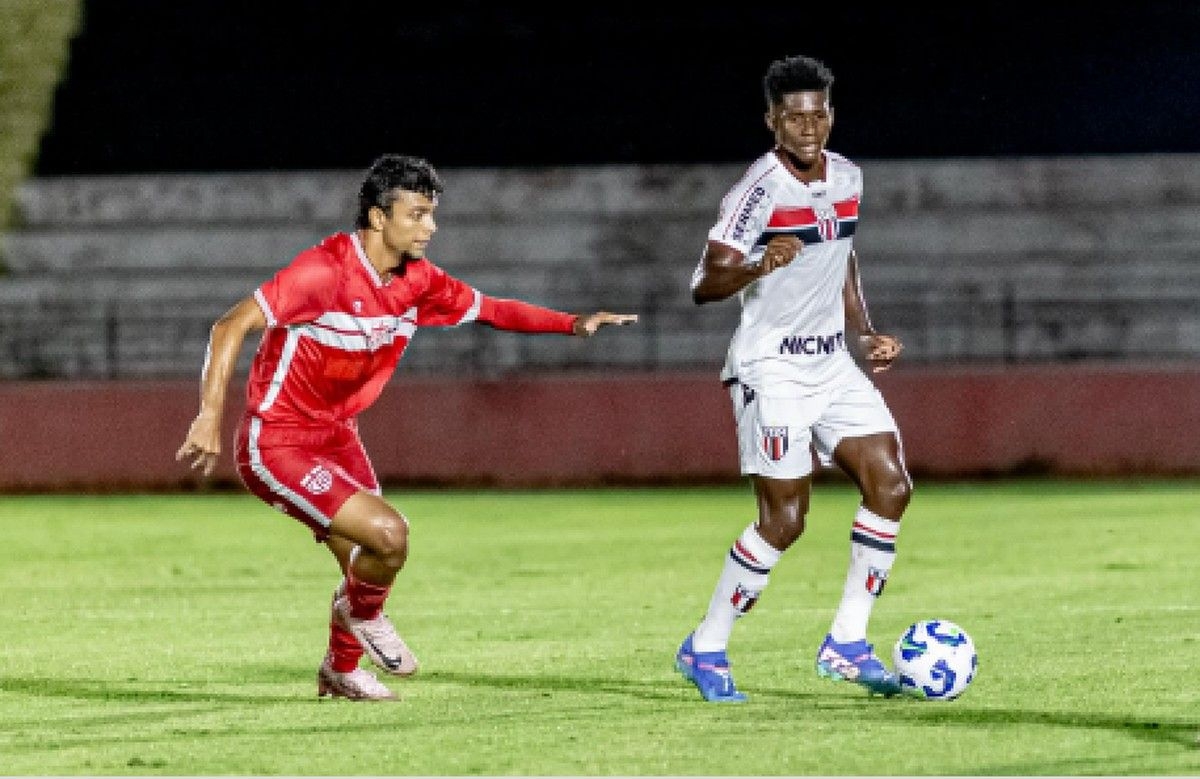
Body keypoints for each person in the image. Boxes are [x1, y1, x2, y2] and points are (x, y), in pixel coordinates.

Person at [176, 153, 637, 701]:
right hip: (277, 442)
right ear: (377, 217)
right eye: (417, 215)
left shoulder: (419, 283)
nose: (431, 227)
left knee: (375, 558)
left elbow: (491, 308)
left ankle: (340, 671)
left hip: (338, 435)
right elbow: (229, 325)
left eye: (432, 214)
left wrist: (571, 324)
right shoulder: (323, 272)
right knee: (389, 535)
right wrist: (209, 414)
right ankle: (358, 617)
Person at [675, 54, 911, 702]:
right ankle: (707, 645)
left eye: (818, 112)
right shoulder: (760, 188)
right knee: (786, 518)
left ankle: (847, 642)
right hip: (770, 365)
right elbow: (703, 284)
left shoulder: (849, 177)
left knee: (890, 484)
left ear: (830, 114)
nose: (808, 125)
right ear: (772, 120)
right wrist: (757, 263)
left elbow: (842, 260)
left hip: (831, 360)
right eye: (794, 115)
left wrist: (862, 333)